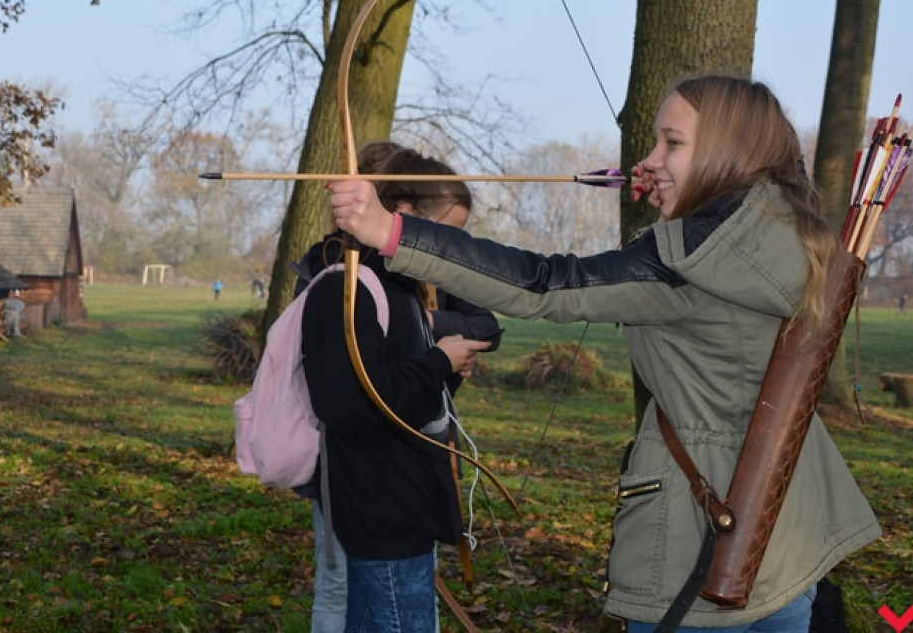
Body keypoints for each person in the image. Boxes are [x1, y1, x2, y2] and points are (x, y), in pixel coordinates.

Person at [328, 75, 881, 631]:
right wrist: (682, 194)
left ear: (726, 152)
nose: (650, 159)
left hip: (704, 546)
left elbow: (545, 284)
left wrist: (392, 231)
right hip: (788, 538)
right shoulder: (788, 230)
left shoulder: (685, 262)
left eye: (672, 143)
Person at [301, 147, 496, 633]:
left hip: (404, 503)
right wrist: (440, 360)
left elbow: (408, 394)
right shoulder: (347, 285)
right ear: (405, 212)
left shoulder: (400, 283)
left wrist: (447, 365)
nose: (451, 247)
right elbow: (354, 403)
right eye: (446, 232)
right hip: (382, 507)